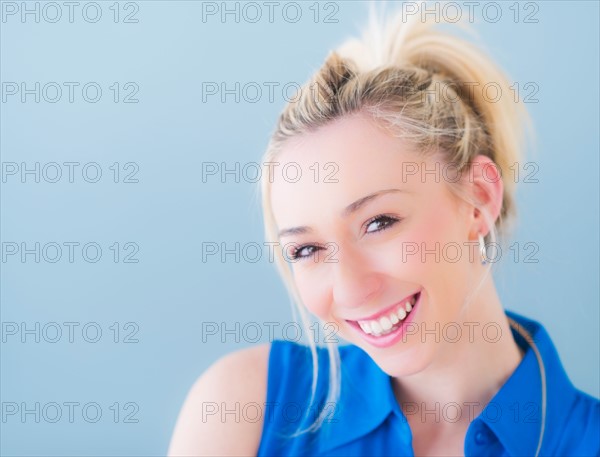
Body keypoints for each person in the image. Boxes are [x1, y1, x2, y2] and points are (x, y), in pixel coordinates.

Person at [168, 3, 600, 456]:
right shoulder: (244, 410)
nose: (351, 290)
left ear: (478, 199)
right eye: (307, 250)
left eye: (378, 223)